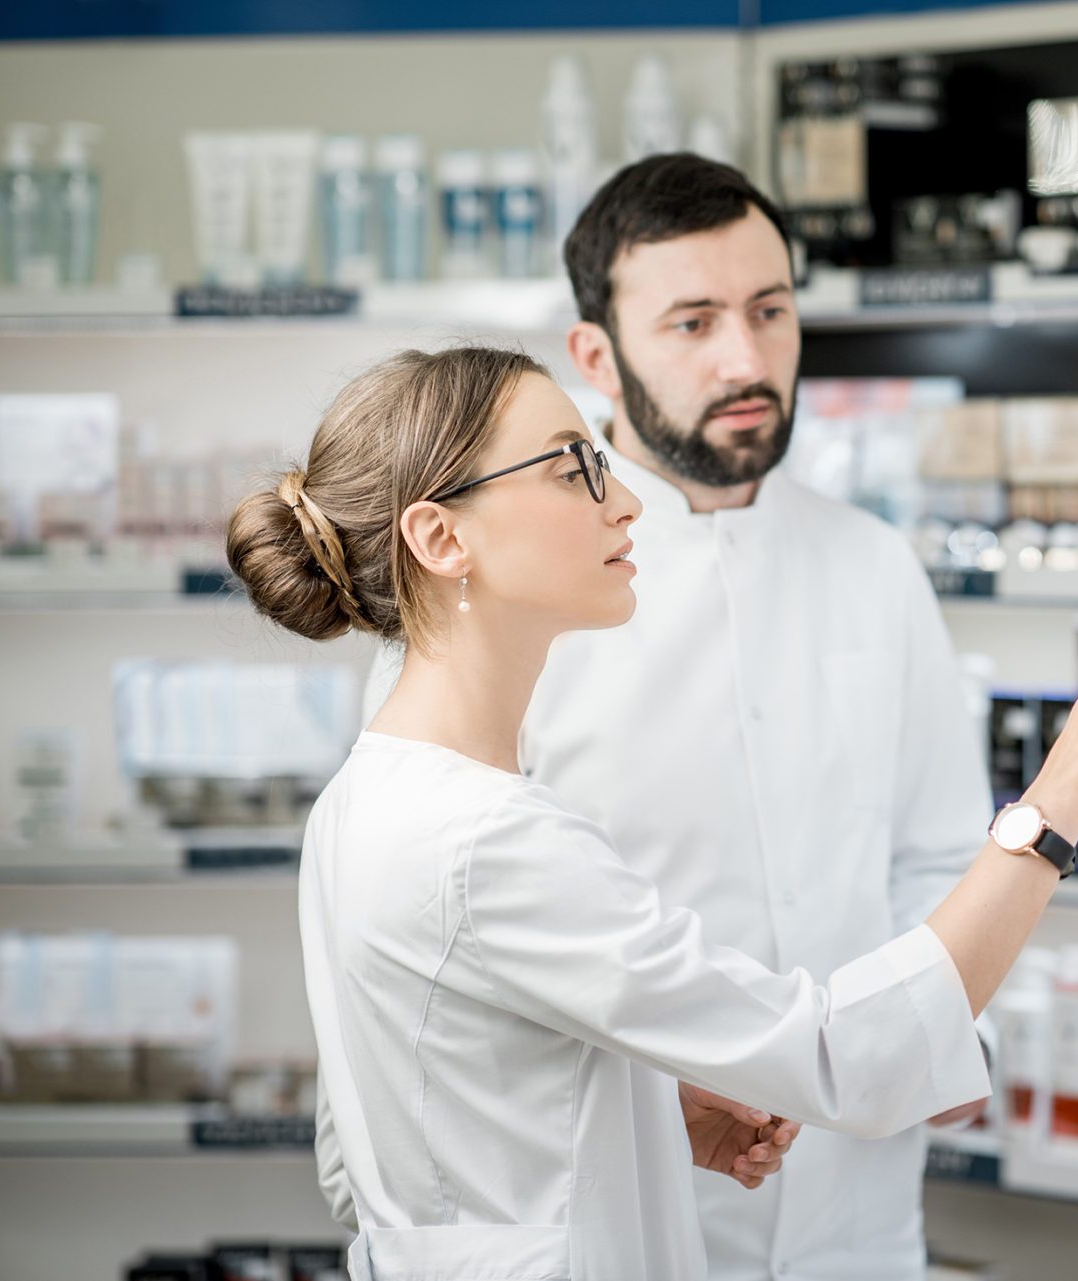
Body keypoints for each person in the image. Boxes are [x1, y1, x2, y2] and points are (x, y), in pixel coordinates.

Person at [227, 342, 1078, 1281]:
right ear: (442, 539)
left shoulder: (367, 798)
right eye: (574, 471)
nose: (623, 504)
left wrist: (639, 1120)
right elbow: (839, 1058)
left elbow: (389, 1134)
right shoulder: (491, 841)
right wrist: (1059, 798)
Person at [365, 154, 1010, 1279]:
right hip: (623, 1220)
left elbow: (937, 854)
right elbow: (431, 935)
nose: (746, 360)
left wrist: (950, 1048)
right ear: (596, 357)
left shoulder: (874, 567)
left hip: (856, 1218)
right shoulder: (508, 589)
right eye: (693, 322)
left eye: (770, 311)